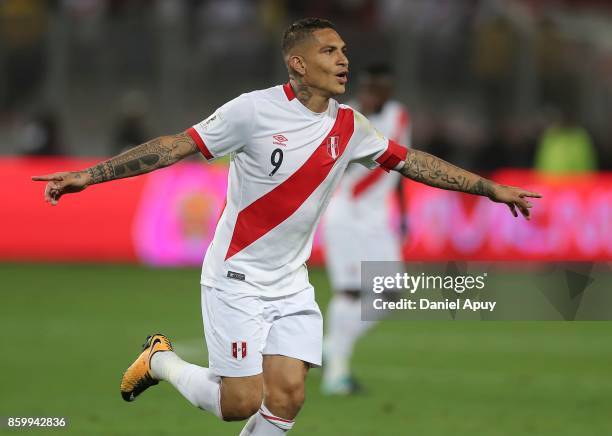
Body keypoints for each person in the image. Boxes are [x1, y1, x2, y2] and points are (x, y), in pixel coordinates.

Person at [32, 18, 540, 436]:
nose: (343, 60)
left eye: (343, 50)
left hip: (291, 281)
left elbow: (412, 163)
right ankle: (160, 360)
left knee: (290, 395)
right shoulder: (252, 111)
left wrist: (488, 188)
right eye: (328, 52)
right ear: (298, 63)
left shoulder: (350, 126)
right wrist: (91, 175)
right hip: (236, 276)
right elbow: (175, 146)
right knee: (240, 403)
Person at [321, 62, 410, 395]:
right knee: (350, 291)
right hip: (346, 215)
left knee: (391, 294)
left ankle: (332, 345)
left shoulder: (400, 116)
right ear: (364, 88)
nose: (378, 93)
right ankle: (337, 375)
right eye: (372, 87)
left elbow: (402, 166)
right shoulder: (345, 117)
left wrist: (403, 213)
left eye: (383, 87)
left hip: (376, 220)